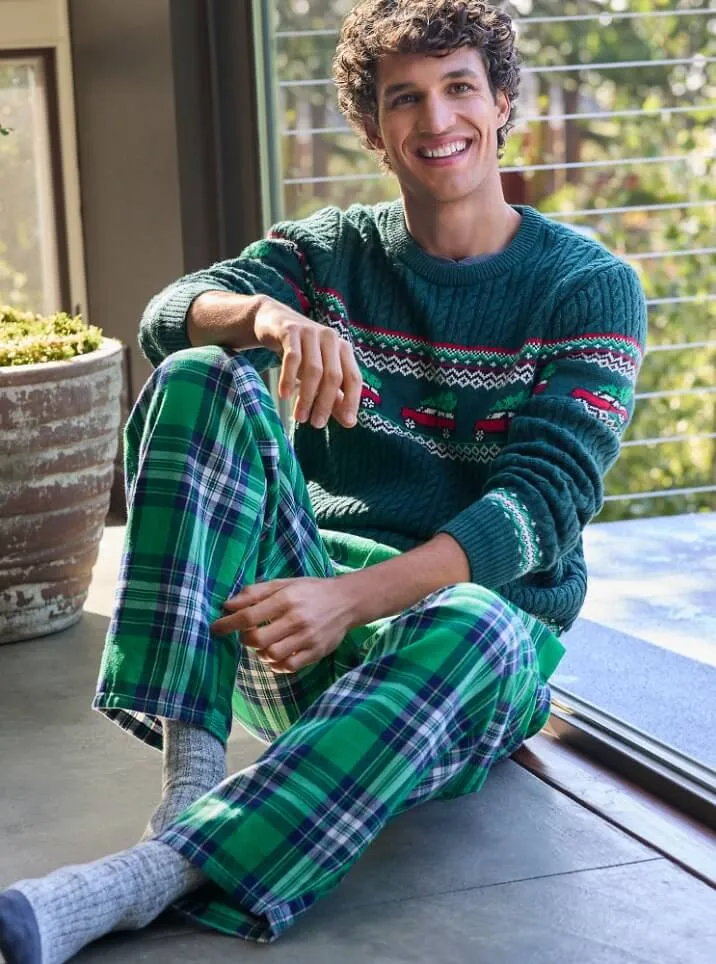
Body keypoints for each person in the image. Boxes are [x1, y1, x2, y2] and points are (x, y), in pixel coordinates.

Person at [0, 1, 647, 961]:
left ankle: (158, 871)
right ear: (370, 126)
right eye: (405, 100)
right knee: (198, 375)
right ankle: (191, 777)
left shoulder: (588, 287)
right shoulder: (330, 252)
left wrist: (352, 600)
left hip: (453, 672)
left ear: (502, 101)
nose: (437, 122)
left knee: (483, 624)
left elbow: (543, 504)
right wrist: (265, 318)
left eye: (460, 88)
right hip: (285, 624)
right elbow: (165, 317)